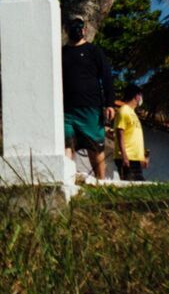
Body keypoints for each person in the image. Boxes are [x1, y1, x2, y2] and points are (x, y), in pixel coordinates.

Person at [61, 16, 116, 182]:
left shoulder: (94, 51)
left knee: (95, 147)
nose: (77, 30)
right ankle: (68, 181)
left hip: (90, 107)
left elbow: (106, 77)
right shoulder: (61, 53)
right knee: (67, 144)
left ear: (84, 30)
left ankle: (101, 181)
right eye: (73, 26)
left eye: (80, 26)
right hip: (66, 109)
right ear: (66, 30)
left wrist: (110, 104)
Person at [112, 87, 147, 181]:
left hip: (135, 159)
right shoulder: (124, 111)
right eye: (141, 96)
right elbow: (120, 133)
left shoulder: (133, 113)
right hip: (127, 158)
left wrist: (143, 156)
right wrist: (124, 155)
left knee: (140, 188)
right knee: (129, 184)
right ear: (137, 96)